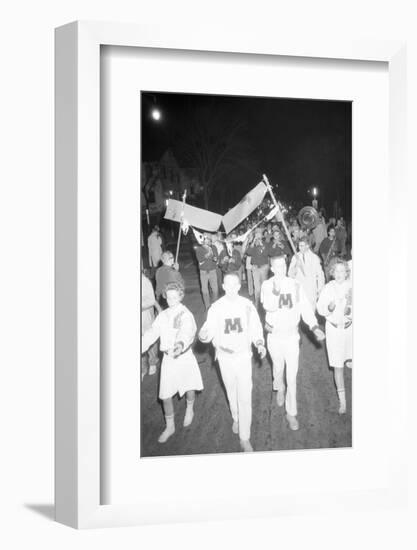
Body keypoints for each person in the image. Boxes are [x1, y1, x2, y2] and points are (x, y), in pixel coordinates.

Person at [199, 272, 266, 452]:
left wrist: (259, 343)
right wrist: (204, 335)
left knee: (245, 396)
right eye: (227, 285)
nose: (231, 288)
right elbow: (209, 329)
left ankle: (245, 437)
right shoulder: (216, 307)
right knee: (231, 390)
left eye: (235, 285)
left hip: (243, 355)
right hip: (224, 357)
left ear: (239, 286)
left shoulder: (247, 306)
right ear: (223, 286)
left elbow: (256, 328)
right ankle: (236, 417)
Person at [261, 255, 325, 431]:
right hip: (274, 337)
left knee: (292, 377)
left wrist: (314, 326)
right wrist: (276, 289)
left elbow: (305, 308)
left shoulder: (296, 285)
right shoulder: (267, 285)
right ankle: (278, 387)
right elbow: (269, 306)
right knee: (278, 369)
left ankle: (291, 413)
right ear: (272, 269)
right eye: (277, 267)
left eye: (284, 266)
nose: (281, 269)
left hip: (291, 337)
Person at [142, 282, 204, 443]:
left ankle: (190, 409)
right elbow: (152, 333)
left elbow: (187, 330)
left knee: (189, 386)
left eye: (174, 297)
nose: (171, 300)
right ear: (165, 297)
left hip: (183, 357)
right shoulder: (162, 315)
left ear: (180, 297)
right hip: (168, 360)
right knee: (165, 395)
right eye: (168, 297)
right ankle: (170, 426)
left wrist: (180, 344)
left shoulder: (185, 314)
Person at [317, 258, 352, 414]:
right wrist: (328, 308)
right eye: (336, 271)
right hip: (333, 331)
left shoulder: (352, 287)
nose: (339, 274)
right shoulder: (327, 288)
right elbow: (320, 309)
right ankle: (342, 402)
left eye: (342, 271)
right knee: (338, 366)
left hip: (350, 330)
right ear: (332, 272)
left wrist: (350, 311)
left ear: (347, 273)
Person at [288, 237, 324, 309]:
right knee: (299, 311)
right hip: (299, 289)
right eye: (299, 246)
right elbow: (290, 275)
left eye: (302, 246)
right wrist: (296, 266)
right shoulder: (295, 257)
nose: (299, 248)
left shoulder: (314, 258)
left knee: (311, 311)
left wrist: (320, 289)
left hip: (311, 289)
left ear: (307, 246)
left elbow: (320, 275)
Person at [141, 271, 161, 379]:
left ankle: (153, 361)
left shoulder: (144, 281)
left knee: (150, 338)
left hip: (145, 316)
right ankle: (143, 367)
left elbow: (151, 300)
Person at [245, 228, 270, 308]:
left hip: (264, 267)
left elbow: (267, 254)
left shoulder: (266, 243)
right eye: (256, 234)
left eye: (259, 234)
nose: (258, 235)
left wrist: (262, 245)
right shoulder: (253, 244)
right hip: (255, 267)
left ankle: (265, 302)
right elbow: (248, 252)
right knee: (257, 288)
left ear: (262, 235)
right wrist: (252, 242)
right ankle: (257, 303)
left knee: (264, 286)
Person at [195, 233, 219, 310]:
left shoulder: (214, 247)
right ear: (203, 240)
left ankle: (214, 306)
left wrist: (215, 258)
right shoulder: (199, 249)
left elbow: (216, 258)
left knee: (215, 290)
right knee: (205, 290)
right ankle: (207, 306)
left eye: (209, 239)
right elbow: (200, 260)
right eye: (206, 239)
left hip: (212, 271)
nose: (208, 240)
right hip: (204, 272)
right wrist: (208, 254)